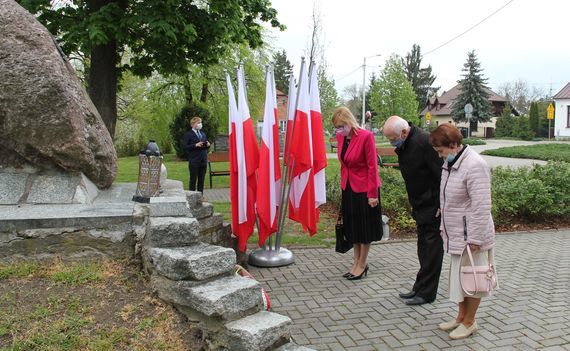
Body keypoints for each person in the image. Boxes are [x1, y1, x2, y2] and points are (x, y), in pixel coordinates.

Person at [429, 123, 497, 340]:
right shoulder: (451, 163)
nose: (440, 157)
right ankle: (460, 317)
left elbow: (482, 205)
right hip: (457, 233)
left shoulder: (475, 165)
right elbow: (446, 197)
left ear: (454, 145)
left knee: (473, 281)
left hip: (472, 236)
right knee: (459, 278)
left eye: (441, 152)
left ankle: (470, 322)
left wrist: (475, 237)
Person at [383, 116, 444, 306]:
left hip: (433, 206)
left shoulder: (424, 141)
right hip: (419, 205)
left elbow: (442, 173)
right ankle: (419, 287)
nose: (392, 142)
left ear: (403, 132)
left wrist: (442, 203)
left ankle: (427, 293)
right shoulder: (407, 143)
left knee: (432, 251)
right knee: (423, 249)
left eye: (393, 138)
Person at [332, 107, 383, 280]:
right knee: (353, 227)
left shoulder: (365, 136)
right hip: (348, 188)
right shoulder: (341, 137)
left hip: (365, 189)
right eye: (336, 127)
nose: (338, 130)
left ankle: (362, 264)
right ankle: (355, 262)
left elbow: (372, 167)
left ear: (348, 122)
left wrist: (373, 194)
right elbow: (344, 163)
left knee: (364, 228)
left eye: (340, 126)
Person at [183, 117, 210, 192]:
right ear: (192, 124)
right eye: (198, 123)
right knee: (193, 179)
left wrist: (208, 145)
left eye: (200, 122)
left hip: (203, 160)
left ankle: (200, 197)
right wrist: (195, 145)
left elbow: (205, 147)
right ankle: (192, 196)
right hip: (194, 160)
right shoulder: (188, 134)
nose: (200, 124)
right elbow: (185, 146)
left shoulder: (203, 134)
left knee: (201, 179)